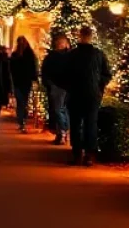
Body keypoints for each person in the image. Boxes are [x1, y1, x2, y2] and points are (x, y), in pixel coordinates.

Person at [60, 25, 111, 167]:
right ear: (91, 37)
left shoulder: (71, 55)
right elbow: (106, 74)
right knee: (90, 124)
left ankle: (77, 154)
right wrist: (99, 86)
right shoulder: (98, 54)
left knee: (76, 125)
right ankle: (89, 154)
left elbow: (63, 75)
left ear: (79, 36)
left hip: (75, 94)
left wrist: (68, 87)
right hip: (92, 95)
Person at [41, 32, 71, 145]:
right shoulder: (55, 56)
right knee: (60, 110)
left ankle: (63, 131)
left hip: (61, 86)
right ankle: (63, 132)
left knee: (59, 110)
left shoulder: (64, 56)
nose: (61, 45)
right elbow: (45, 71)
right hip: (58, 86)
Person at [9, 36, 39, 132]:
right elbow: (33, 68)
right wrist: (34, 78)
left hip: (17, 82)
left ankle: (21, 121)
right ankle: (23, 121)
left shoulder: (15, 55)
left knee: (20, 102)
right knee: (24, 102)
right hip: (26, 82)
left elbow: (11, 70)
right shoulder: (30, 55)